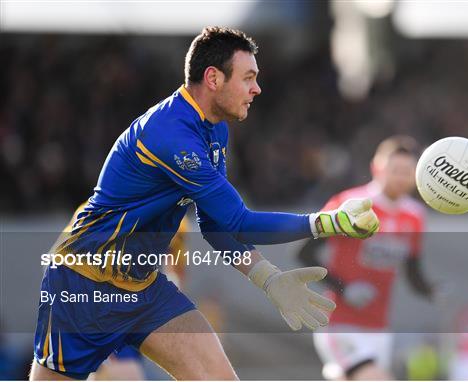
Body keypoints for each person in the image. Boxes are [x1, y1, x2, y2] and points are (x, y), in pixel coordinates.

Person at [30, 26, 380, 380]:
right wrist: (325, 223)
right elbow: (239, 221)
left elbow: (217, 225)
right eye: (248, 78)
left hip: (144, 288)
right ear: (213, 78)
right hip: (84, 283)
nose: (256, 89)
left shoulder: (214, 128)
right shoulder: (170, 133)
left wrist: (267, 277)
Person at [297, 136, 434, 380]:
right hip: (341, 324)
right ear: (376, 168)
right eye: (395, 170)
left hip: (379, 328)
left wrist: (432, 290)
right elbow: (304, 252)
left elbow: (413, 269)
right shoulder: (351, 205)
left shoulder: (415, 216)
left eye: (407, 171)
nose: (401, 177)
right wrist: (344, 288)